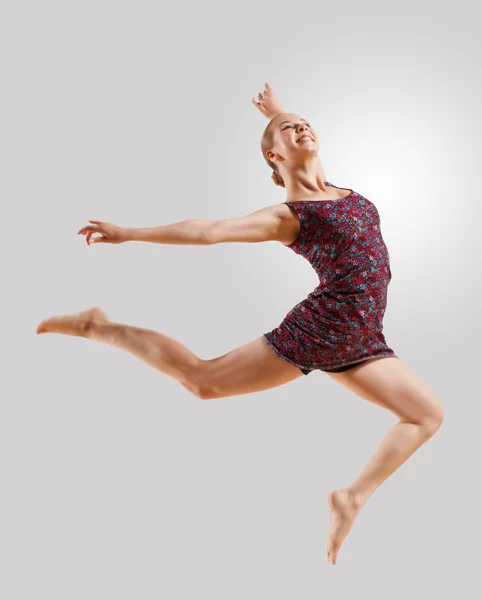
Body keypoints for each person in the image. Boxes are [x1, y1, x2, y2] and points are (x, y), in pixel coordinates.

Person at [36, 82, 444, 565]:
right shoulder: (287, 216)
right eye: (289, 129)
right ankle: (97, 326)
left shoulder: (346, 193)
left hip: (363, 339)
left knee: (426, 415)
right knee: (203, 382)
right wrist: (130, 233)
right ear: (274, 156)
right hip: (322, 329)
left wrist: (275, 112)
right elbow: (207, 232)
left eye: (304, 122)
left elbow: (287, 128)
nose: (301, 126)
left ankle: (351, 498)